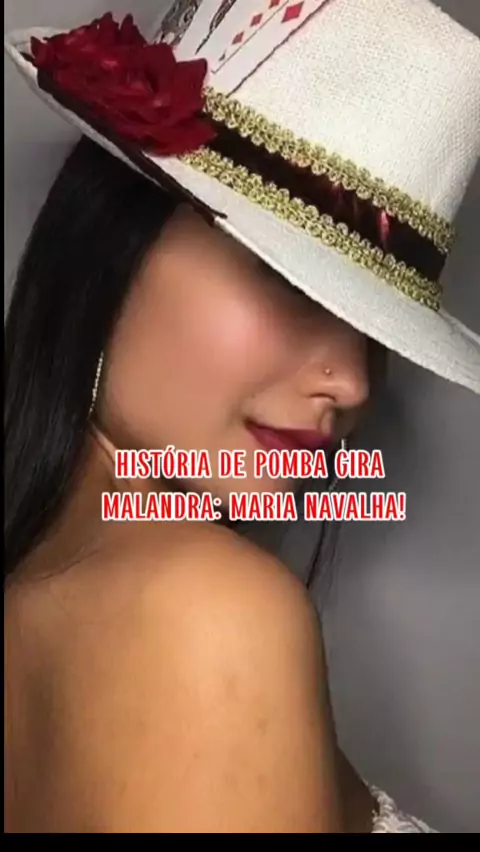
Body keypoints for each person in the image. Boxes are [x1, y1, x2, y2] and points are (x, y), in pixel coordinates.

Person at [4, 0, 479, 834]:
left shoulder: (49, 585)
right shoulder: (211, 616)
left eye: (372, 328)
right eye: (292, 281)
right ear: (113, 239)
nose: (353, 383)